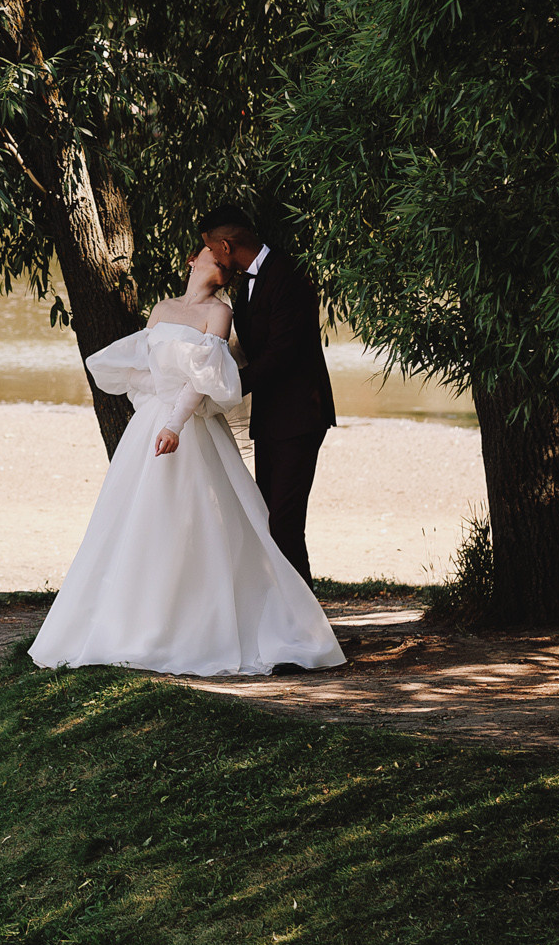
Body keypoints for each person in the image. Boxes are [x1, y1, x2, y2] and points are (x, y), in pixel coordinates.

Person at [28, 240, 343, 677]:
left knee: (206, 520)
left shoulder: (220, 312)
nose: (222, 260)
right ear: (193, 258)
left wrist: (175, 422)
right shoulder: (161, 309)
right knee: (141, 518)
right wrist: (159, 397)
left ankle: (210, 626)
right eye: (212, 251)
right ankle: (132, 623)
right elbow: (144, 366)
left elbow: (205, 375)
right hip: (151, 423)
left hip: (190, 426)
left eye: (226, 259)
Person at [199, 204, 336, 584]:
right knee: (268, 516)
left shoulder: (288, 275)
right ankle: (283, 607)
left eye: (210, 248)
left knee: (285, 522)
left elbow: (280, 353)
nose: (211, 256)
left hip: (299, 416)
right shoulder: (246, 282)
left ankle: (303, 615)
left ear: (226, 245)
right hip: (272, 417)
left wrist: (227, 388)